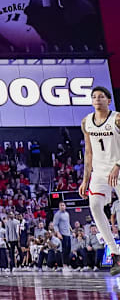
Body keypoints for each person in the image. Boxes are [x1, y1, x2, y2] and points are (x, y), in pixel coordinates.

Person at [79, 86, 120, 275]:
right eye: (94, 97)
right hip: (99, 172)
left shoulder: (117, 118)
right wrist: (85, 179)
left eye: (101, 97)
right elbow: (88, 152)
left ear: (108, 101)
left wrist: (118, 165)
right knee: (94, 205)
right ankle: (115, 252)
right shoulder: (86, 121)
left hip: (117, 168)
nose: (97, 99)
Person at [52, 202, 72, 271]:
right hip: (62, 234)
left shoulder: (67, 214)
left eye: (63, 205)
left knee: (68, 249)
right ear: (59, 206)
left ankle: (68, 264)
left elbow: (68, 223)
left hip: (68, 233)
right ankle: (64, 265)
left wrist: (71, 230)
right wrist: (58, 233)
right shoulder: (57, 215)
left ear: (65, 206)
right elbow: (55, 225)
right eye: (61, 205)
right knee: (63, 250)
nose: (62, 206)